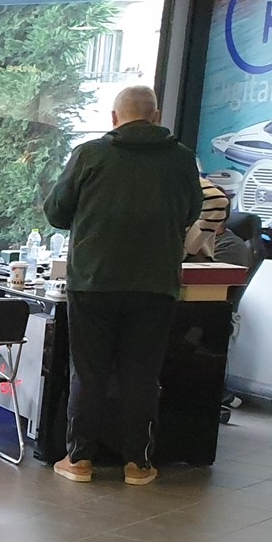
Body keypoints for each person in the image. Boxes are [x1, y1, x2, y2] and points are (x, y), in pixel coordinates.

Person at [43, 85, 202, 486]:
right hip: (156, 284)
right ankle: (138, 464)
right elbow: (192, 211)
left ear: (114, 117)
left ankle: (80, 460)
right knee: (142, 375)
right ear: (156, 116)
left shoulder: (90, 154)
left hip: (93, 282)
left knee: (89, 373)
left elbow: (56, 213)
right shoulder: (182, 159)